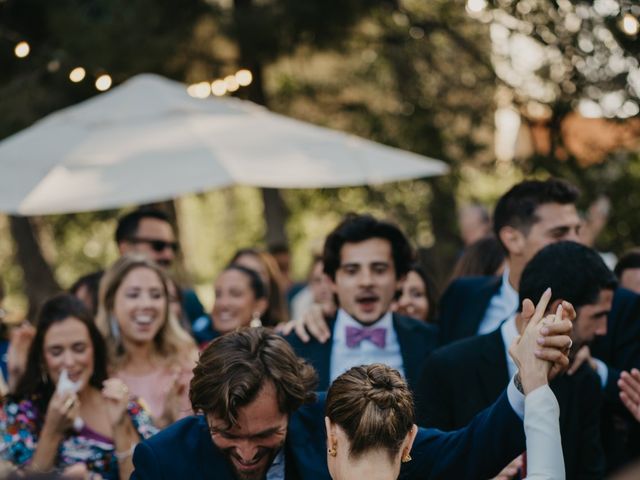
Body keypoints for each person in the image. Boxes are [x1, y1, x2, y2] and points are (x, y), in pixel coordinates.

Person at [131, 319, 572, 480]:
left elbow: (463, 453)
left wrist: (526, 385)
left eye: (266, 434)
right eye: (226, 434)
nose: (247, 452)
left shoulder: (344, 417)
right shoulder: (161, 462)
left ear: (299, 407)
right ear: (202, 413)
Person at [417, 241, 614, 478]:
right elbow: (425, 467)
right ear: (559, 310)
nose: (603, 329)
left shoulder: (583, 378)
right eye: (598, 315)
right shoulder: (447, 367)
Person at [0, 294, 157, 479]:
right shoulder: (19, 414)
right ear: (42, 358)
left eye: (79, 348)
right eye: (56, 351)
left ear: (94, 350)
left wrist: (121, 427)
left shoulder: (128, 407)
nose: (69, 361)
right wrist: (52, 431)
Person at [285, 214, 439, 391]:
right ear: (331, 281)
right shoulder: (296, 345)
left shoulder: (432, 341)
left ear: (400, 278)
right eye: (352, 271)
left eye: (379, 270)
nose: (366, 281)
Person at [95, 254, 198, 427]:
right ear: (111, 303)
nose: (146, 304)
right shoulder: (95, 368)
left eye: (156, 295)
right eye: (134, 295)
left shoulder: (186, 363)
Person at [114, 208, 208, 341]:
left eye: (173, 247)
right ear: (126, 248)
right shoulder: (91, 297)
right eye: (158, 246)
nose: (168, 255)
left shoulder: (188, 299)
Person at [231, 248, 289, 325]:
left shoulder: (284, 331)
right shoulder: (212, 331)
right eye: (241, 271)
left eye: (256, 274)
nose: (248, 280)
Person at [210, 265, 268, 335]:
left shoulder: (278, 342)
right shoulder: (198, 341)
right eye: (218, 295)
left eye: (235, 294)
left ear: (259, 306)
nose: (223, 303)